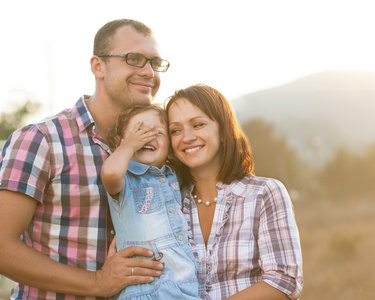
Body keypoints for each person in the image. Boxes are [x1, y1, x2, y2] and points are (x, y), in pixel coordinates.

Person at [0, 19, 168, 299]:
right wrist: (98, 283)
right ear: (98, 66)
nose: (149, 71)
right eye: (134, 59)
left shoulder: (156, 147)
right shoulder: (41, 140)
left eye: (155, 62)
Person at [165, 84, 303, 300]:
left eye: (198, 124)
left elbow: (283, 281)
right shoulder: (167, 203)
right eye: (175, 130)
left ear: (223, 130)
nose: (187, 137)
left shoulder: (265, 193)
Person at [101, 104, 199, 299]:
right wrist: (128, 146)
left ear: (170, 148)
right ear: (120, 144)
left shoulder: (174, 178)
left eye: (157, 132)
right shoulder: (126, 180)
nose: (147, 137)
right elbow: (110, 172)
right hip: (144, 290)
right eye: (139, 131)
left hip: (184, 288)